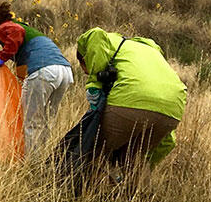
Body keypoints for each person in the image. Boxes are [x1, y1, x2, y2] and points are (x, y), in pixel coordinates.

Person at [75, 27, 186, 166]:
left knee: (91, 151)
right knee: (134, 161)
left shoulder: (107, 41)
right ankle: (137, 186)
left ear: (85, 58)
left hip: (131, 101)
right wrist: (150, 164)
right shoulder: (148, 52)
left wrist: (95, 83)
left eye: (86, 70)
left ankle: (83, 186)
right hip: (173, 110)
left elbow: (94, 34)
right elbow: (168, 141)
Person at [0, 2, 75, 158]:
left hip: (44, 71)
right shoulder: (28, 29)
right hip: (65, 71)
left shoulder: (5, 27)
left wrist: (1, 58)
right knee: (46, 121)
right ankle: (45, 157)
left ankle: (32, 165)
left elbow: (15, 32)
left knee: (32, 123)